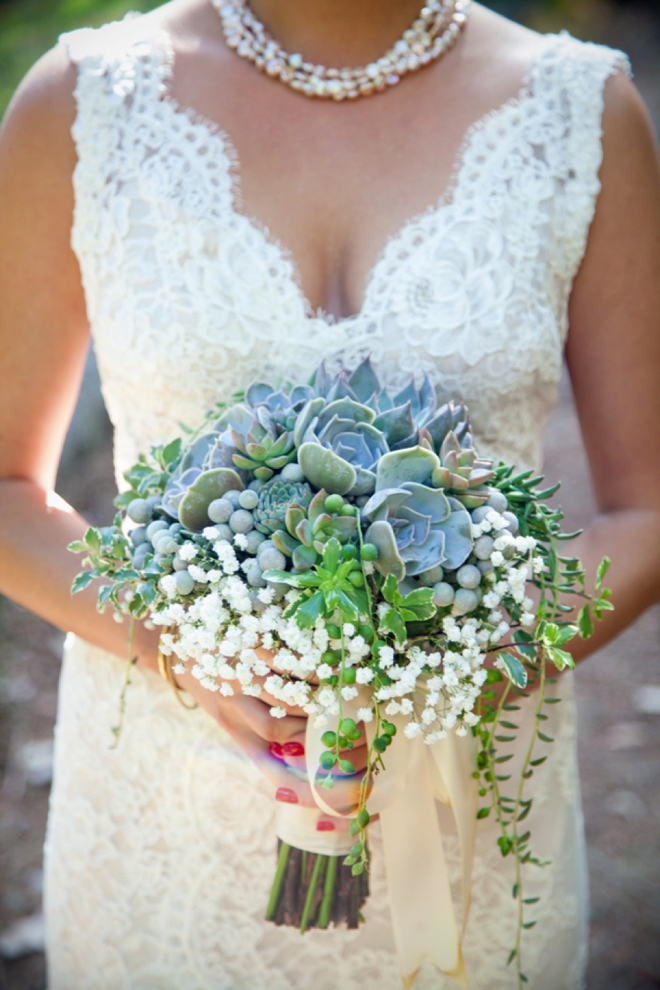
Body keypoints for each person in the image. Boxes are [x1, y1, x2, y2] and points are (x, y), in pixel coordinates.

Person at [0, 0, 659, 986]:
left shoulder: (580, 111)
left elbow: (647, 507)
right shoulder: (84, 101)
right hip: (167, 824)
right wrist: (179, 643)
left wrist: (453, 670)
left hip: (462, 807)